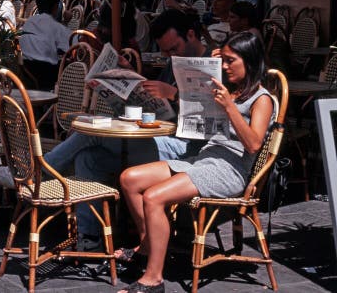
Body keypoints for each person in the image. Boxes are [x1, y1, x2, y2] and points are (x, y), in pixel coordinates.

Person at [117, 32, 275, 293]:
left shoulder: (262, 99)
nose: (226, 66)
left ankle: (153, 279)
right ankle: (148, 246)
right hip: (204, 160)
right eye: (224, 60)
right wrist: (211, 66)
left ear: (250, 60)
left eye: (231, 61)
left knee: (154, 197)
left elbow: (254, 144)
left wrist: (230, 109)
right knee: (130, 179)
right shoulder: (230, 90)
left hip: (229, 170)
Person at [41, 9, 208, 252]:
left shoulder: (214, 65)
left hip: (186, 149)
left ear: (191, 35)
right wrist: (128, 77)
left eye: (173, 49)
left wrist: (175, 94)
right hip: (158, 137)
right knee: (90, 158)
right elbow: (157, 105)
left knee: (93, 131)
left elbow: (214, 115)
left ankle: (44, 171)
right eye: (165, 51)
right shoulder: (174, 63)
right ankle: (90, 240)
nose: (170, 56)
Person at [19, 0, 71, 90]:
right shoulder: (56, 27)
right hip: (48, 75)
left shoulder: (29, 22)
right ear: (56, 7)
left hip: (28, 72)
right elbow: (70, 47)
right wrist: (66, 23)